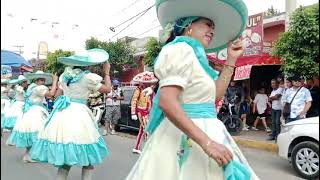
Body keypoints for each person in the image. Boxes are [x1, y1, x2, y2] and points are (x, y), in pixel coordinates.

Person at [126, 0, 259, 179]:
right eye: (207, 24)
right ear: (189, 26)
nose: (212, 30)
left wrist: (231, 59)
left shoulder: (198, 59)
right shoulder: (180, 49)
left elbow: (214, 98)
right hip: (186, 137)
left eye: (213, 27)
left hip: (207, 131)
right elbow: (167, 101)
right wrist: (207, 143)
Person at [31, 49, 112, 180]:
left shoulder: (64, 76)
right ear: (87, 65)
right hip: (80, 115)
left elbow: (56, 96)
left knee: (64, 164)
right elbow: (107, 89)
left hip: (63, 114)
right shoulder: (88, 77)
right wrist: (107, 73)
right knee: (88, 160)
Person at [6, 71, 58, 163]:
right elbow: (51, 94)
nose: (43, 82)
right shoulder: (39, 88)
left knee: (32, 133)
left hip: (30, 111)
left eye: (43, 80)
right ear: (37, 80)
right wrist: (55, 81)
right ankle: (32, 155)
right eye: (41, 80)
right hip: (36, 112)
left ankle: (28, 154)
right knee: (38, 132)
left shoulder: (31, 87)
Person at [131, 71, 158, 154]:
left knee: (143, 129)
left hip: (149, 111)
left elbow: (153, 100)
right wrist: (133, 113)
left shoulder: (151, 89)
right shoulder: (138, 89)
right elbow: (134, 100)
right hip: (141, 111)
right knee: (146, 128)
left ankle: (137, 147)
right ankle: (148, 147)